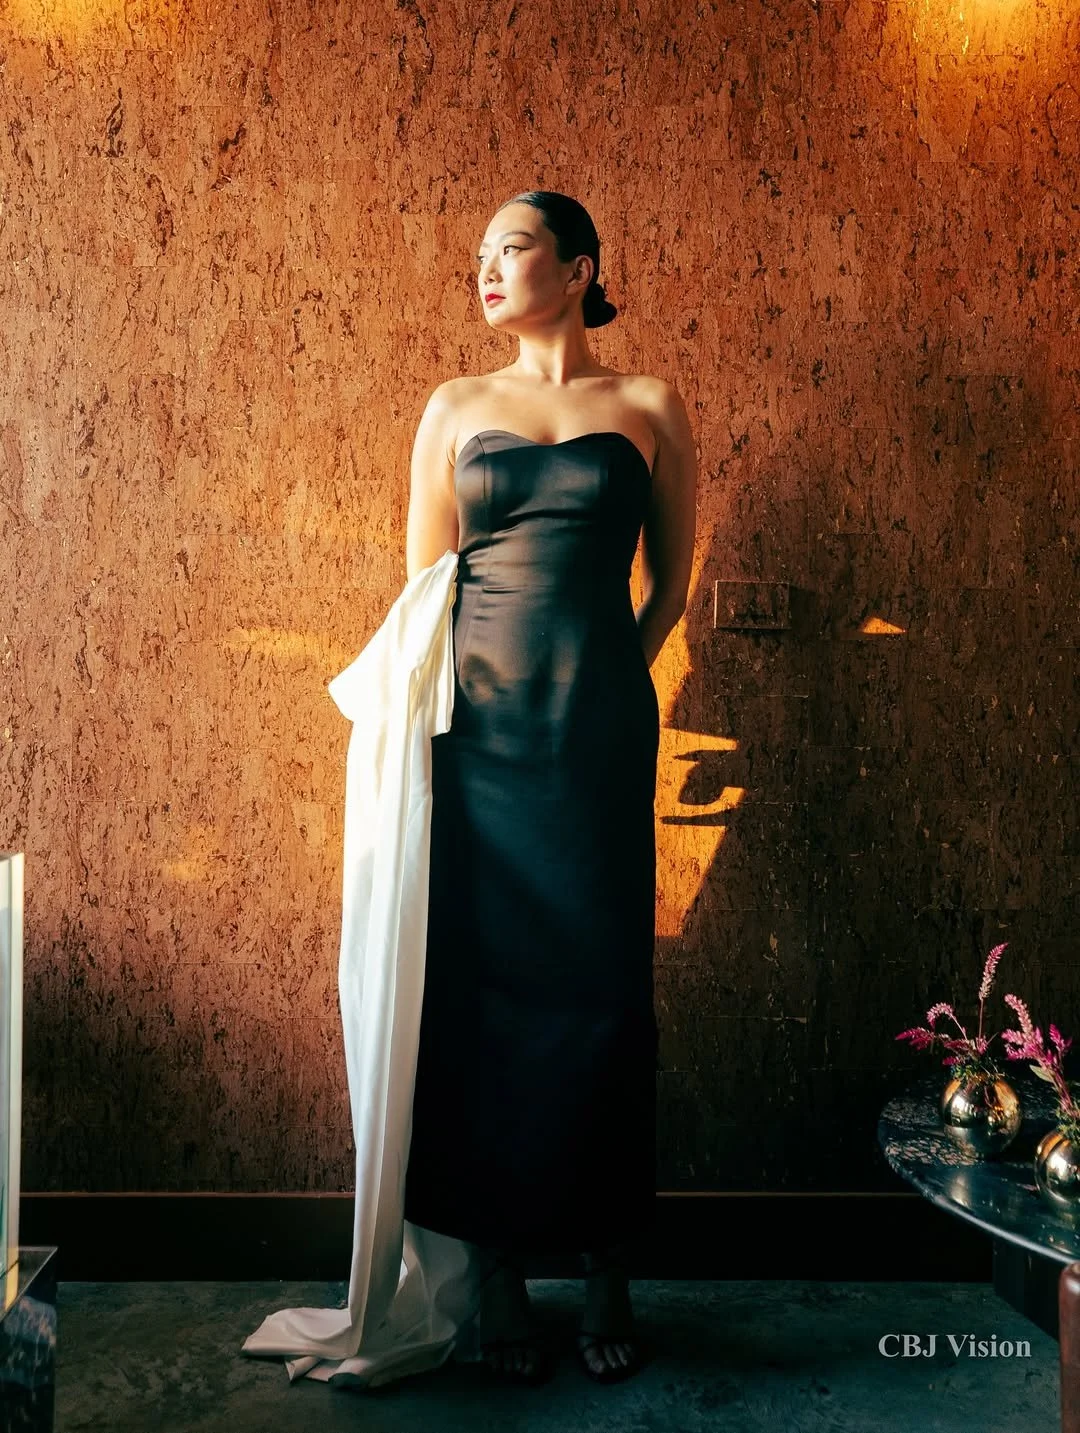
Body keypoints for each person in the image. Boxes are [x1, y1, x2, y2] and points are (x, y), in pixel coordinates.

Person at [402, 190, 697, 1386]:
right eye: (475, 254)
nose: (483, 268)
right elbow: (425, 590)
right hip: (477, 745)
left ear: (577, 266)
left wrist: (600, 680)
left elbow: (668, 587)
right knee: (484, 991)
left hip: (598, 741)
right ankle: (501, 1274)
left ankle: (608, 1264)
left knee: (606, 992)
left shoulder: (653, 406)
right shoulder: (453, 409)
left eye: (508, 247)